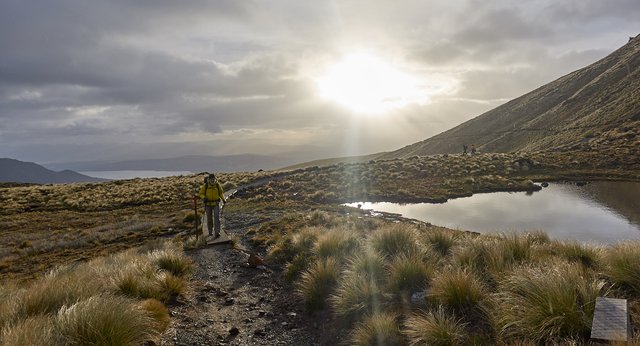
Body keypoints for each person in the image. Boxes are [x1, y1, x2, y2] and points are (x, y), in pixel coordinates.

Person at [199, 173, 226, 238]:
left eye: (214, 179)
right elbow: (201, 193)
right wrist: (204, 198)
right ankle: (210, 232)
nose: (213, 180)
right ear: (209, 179)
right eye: (211, 179)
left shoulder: (217, 185)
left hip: (216, 203)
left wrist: (223, 199)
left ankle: (217, 233)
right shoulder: (205, 185)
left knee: (217, 218)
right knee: (209, 219)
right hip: (208, 204)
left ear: (215, 179)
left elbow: (221, 193)